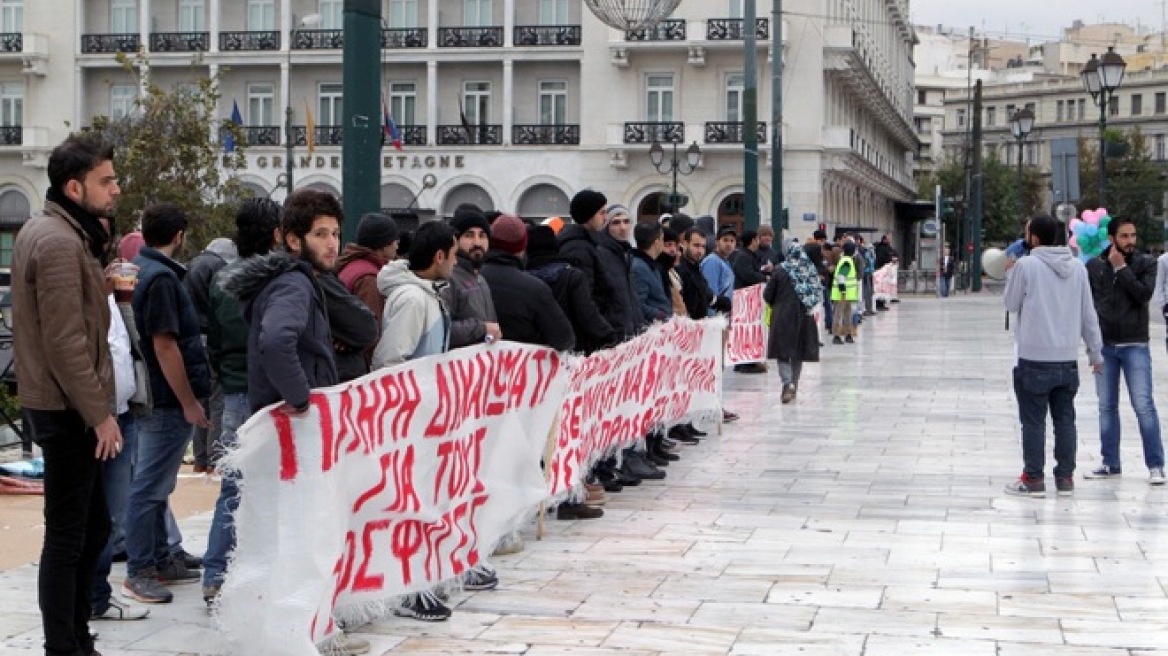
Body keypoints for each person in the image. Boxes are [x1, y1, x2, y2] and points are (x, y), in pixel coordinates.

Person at [222, 189, 370, 655]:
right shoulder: (294, 284)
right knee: (306, 537)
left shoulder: (292, 280)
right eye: (320, 234)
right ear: (291, 239)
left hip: (286, 430)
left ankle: (301, 628)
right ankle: (308, 633)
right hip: (295, 432)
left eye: (335, 234)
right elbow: (275, 341)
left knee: (295, 536)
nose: (331, 244)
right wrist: (302, 399)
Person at [13, 134, 123, 656]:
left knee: (92, 526)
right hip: (67, 409)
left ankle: (76, 636)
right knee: (67, 536)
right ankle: (65, 646)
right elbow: (63, 340)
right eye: (107, 180)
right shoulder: (58, 242)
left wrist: (99, 287)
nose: (116, 189)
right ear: (75, 187)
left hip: (63, 404)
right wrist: (99, 414)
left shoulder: (58, 232)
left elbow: (60, 317)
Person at [371, 221, 462, 621]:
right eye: (455, 254)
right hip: (411, 422)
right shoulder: (412, 299)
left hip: (427, 419)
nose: (457, 262)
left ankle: (419, 579)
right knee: (408, 505)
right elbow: (389, 360)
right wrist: (416, 404)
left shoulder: (428, 293)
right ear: (439, 256)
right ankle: (407, 588)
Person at [123, 204, 210, 605]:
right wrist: (189, 402)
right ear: (179, 236)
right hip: (166, 400)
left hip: (160, 397)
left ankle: (161, 556)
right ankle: (140, 569)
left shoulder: (148, 271)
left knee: (157, 484)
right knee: (148, 487)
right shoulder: (161, 279)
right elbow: (165, 344)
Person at [201, 197, 282, 608]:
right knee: (275, 485)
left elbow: (213, 339)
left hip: (233, 389)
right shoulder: (276, 277)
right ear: (276, 233)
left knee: (233, 487)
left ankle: (215, 571)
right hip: (268, 392)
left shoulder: (220, 278)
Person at [1003, 215, 1103, 497]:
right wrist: (1095, 353)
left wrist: (1010, 272)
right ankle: (1065, 477)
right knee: (1065, 420)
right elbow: (1088, 314)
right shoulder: (1078, 269)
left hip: (1033, 357)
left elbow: (1010, 303)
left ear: (1034, 238)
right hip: (1067, 358)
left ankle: (1033, 478)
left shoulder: (1026, 265)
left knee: (1033, 421)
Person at [1084, 217, 1166, 485]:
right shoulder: (1095, 266)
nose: (1130, 241)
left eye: (1133, 235)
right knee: (1106, 406)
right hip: (1105, 346)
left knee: (1143, 405)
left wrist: (1122, 269)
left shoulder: (1146, 263)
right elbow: (1090, 305)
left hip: (1135, 344)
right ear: (1111, 239)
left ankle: (1155, 465)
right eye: (1124, 236)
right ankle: (1110, 462)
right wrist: (1091, 345)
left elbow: (1144, 295)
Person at [479, 214, 575, 351]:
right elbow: (564, 338)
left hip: (473, 368)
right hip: (522, 368)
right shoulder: (534, 288)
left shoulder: (469, 279)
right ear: (522, 247)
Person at [184, 237, 238, 473]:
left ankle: (200, 459)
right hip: (212, 338)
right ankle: (216, 460)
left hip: (191, 339)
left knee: (200, 401)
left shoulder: (190, 266)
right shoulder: (219, 268)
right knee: (218, 400)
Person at [557, 190, 621, 351]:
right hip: (587, 339)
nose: (605, 217)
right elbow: (584, 299)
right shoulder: (578, 249)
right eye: (602, 212)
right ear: (588, 215)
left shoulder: (588, 243)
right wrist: (605, 334)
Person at [336, 212, 399, 367]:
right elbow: (371, 333)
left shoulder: (351, 266)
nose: (397, 245)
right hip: (357, 367)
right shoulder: (369, 279)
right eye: (394, 241)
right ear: (383, 246)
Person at [766, 244, 824, 404]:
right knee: (798, 352)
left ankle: (787, 384)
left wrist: (775, 304)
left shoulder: (780, 269)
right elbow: (818, 293)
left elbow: (767, 294)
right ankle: (794, 386)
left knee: (782, 352)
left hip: (782, 314)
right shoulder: (810, 270)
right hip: (805, 316)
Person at [442, 205, 502, 348]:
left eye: (482, 235)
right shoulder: (447, 279)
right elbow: (440, 330)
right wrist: (481, 328)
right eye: (469, 235)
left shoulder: (481, 280)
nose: (477, 243)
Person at [630, 222, 672, 325]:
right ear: (656, 242)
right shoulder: (639, 268)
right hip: (652, 329)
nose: (663, 242)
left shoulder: (651, 264)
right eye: (662, 239)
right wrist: (660, 315)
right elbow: (637, 304)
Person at [830, 241, 860, 344]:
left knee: (847, 314)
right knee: (839, 314)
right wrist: (842, 290)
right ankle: (836, 335)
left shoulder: (846, 260)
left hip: (846, 293)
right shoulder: (847, 261)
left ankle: (848, 334)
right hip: (843, 293)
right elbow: (841, 276)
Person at [701, 226, 737, 311]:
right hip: (715, 319)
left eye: (732, 241)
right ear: (717, 242)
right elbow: (710, 295)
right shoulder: (712, 262)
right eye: (725, 240)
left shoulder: (725, 261)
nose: (729, 244)